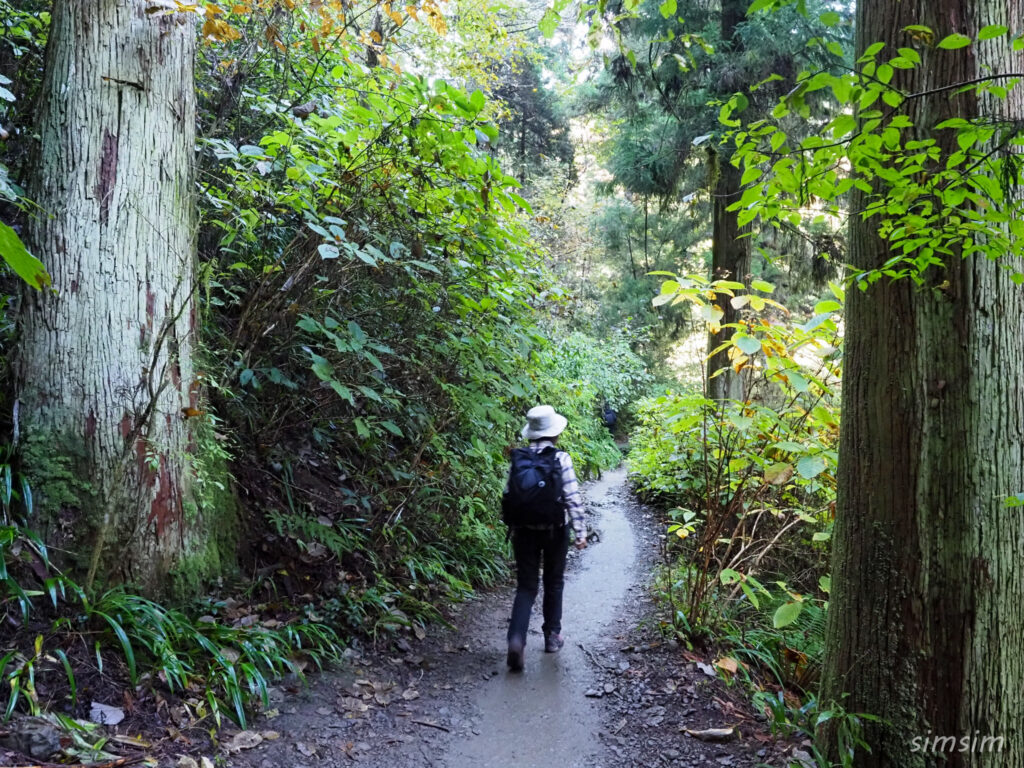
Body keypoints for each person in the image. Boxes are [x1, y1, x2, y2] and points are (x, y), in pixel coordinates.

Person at [505, 405, 588, 672]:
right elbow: (573, 497)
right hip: (555, 530)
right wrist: (580, 532)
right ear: (554, 433)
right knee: (553, 582)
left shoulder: (519, 458)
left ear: (531, 433)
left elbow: (509, 495)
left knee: (526, 586)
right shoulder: (561, 458)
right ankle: (552, 637)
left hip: (523, 531)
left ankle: (516, 639)